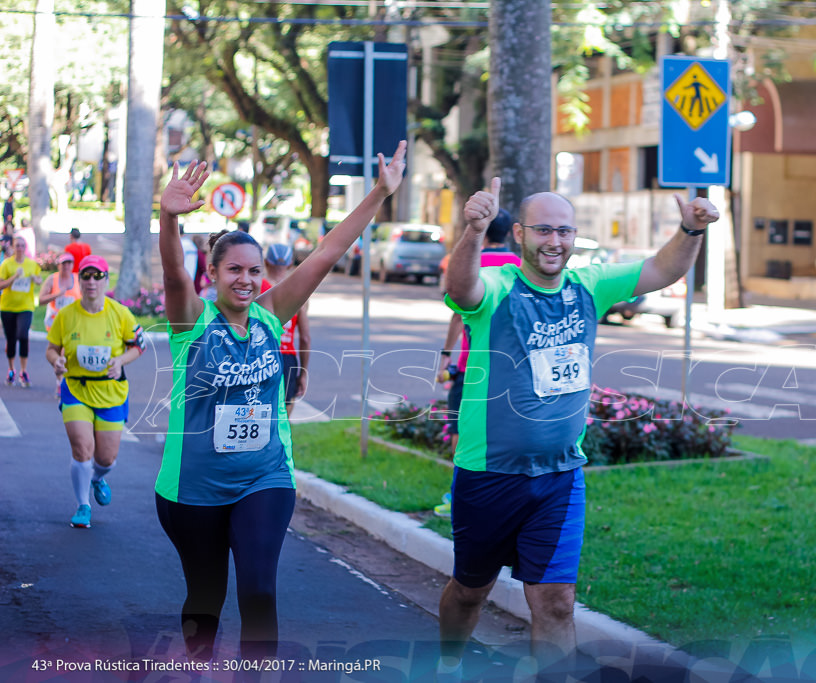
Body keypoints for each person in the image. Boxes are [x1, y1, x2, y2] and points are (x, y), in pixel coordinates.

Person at [437, 178, 718, 678]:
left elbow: (662, 268)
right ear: (520, 234)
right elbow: (460, 289)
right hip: (488, 475)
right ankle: (447, 663)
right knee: (469, 591)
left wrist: (690, 230)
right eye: (543, 230)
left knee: (558, 603)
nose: (554, 242)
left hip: (561, 478)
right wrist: (475, 231)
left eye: (564, 231)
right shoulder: (499, 289)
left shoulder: (589, 284)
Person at [154, 142, 405, 663]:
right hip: (191, 487)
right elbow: (174, 275)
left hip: (264, 477)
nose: (246, 279)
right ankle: (198, 669)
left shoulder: (272, 316)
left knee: (260, 591)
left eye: (254, 271)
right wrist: (168, 218)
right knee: (206, 597)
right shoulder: (192, 322)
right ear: (214, 274)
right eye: (234, 270)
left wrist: (379, 193)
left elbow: (327, 252)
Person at [45, 255, 145, 528]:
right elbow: (51, 348)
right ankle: (82, 506)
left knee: (105, 458)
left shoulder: (120, 313)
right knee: (81, 449)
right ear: (80, 280)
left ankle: (98, 478)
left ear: (105, 280)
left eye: (97, 276)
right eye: (86, 276)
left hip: (110, 392)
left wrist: (120, 361)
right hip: (76, 388)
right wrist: (57, 361)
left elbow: (139, 345)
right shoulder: (66, 315)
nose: (91, 282)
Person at [436, 208, 519, 457]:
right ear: (509, 233)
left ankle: (457, 485)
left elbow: (458, 316)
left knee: (459, 427)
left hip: (471, 365)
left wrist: (446, 354)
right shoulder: (520, 267)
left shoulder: (471, 265)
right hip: (510, 366)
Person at [260, 243, 310, 417]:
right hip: (287, 358)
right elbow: (305, 338)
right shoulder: (299, 293)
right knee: (283, 415)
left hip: (260, 356)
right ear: (290, 264)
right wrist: (303, 373)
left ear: (266, 263)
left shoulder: (257, 289)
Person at [0, 234, 43, 387]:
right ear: (13, 247)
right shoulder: (6, 264)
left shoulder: (32, 264)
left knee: (23, 335)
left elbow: (39, 280)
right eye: (17, 245)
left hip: (26, 306)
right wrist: (14, 277)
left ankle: (23, 371)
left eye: (22, 246)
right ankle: (11, 369)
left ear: (25, 248)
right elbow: (1, 285)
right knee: (11, 339)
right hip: (8, 307)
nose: (19, 248)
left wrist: (36, 279)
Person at [40, 252, 81, 331]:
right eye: (63, 263)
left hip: (73, 323)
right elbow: (41, 300)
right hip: (55, 324)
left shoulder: (78, 279)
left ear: (73, 264)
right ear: (59, 265)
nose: (66, 266)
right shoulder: (52, 279)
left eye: (69, 263)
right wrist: (56, 295)